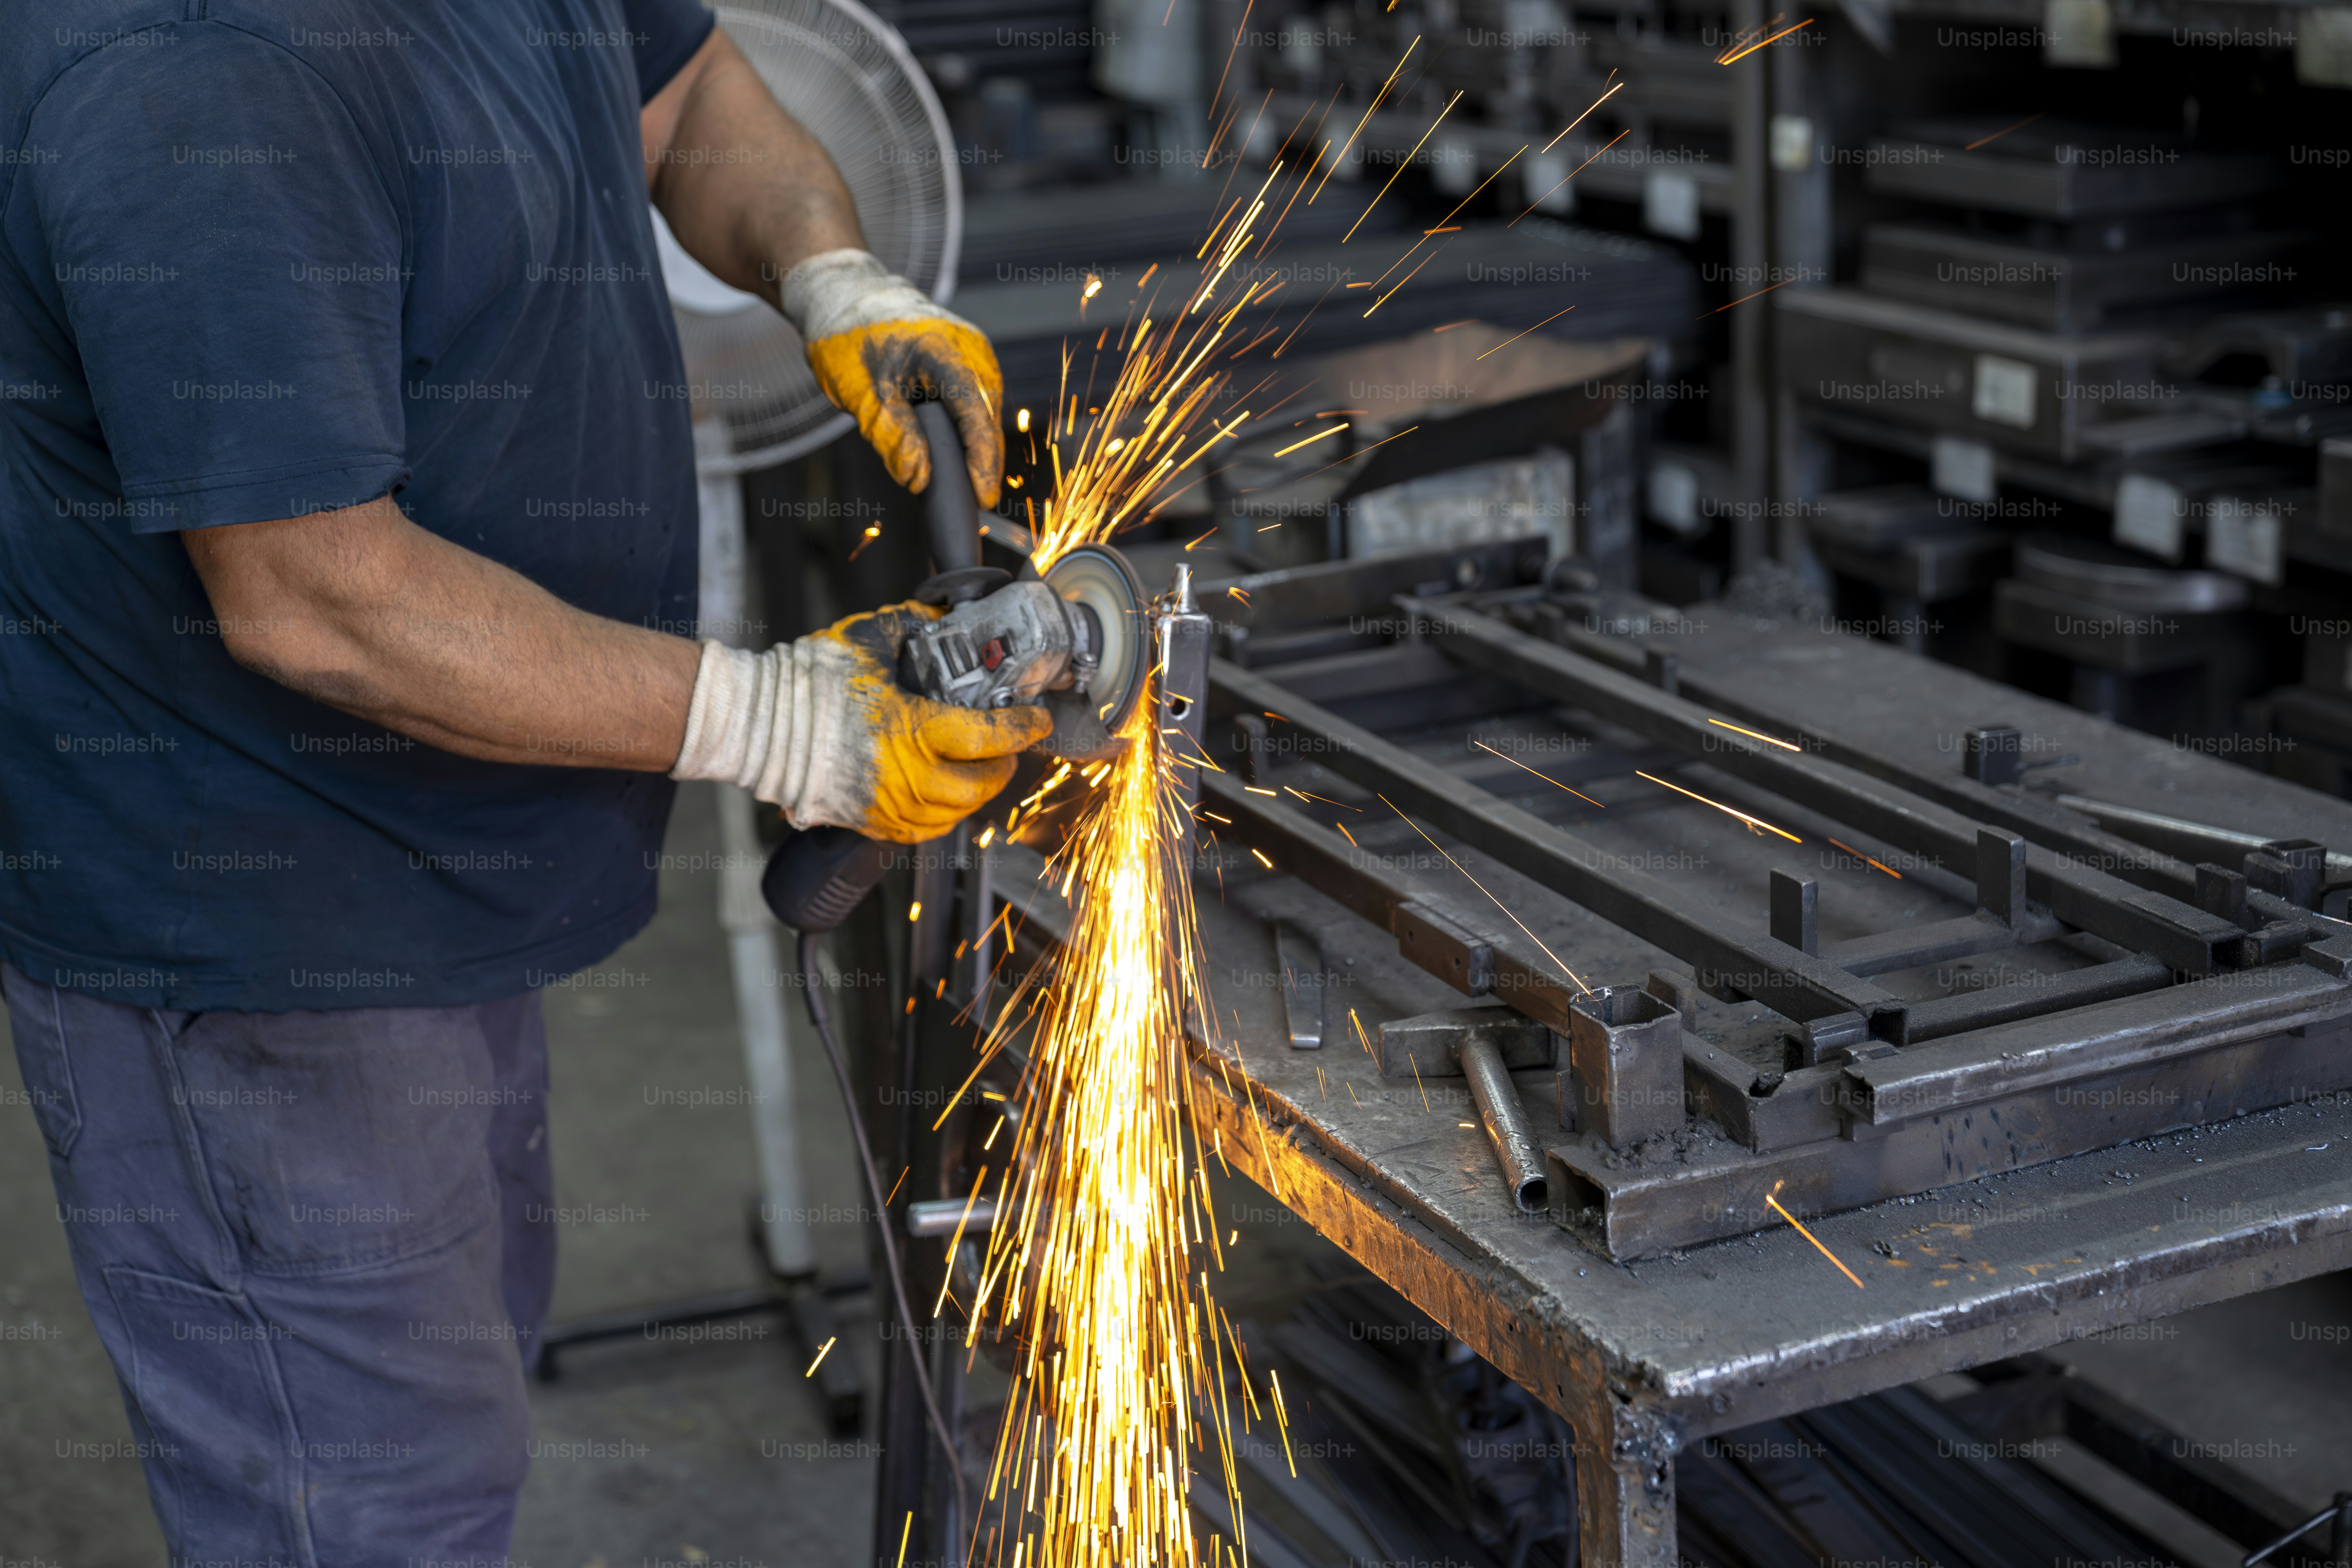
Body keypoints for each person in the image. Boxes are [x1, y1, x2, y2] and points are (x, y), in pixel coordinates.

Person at [0, 5, 1040, 1563]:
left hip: (455, 863)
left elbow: (684, 95)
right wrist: (781, 730)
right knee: (362, 1503)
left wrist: (828, 266)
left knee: (453, 1397)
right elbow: (314, 594)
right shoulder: (192, 70)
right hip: (265, 931)